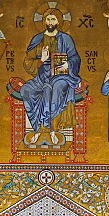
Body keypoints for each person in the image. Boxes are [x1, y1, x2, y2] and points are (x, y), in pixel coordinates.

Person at [20, 11, 81, 145]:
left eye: (53, 19)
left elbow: (75, 58)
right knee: (26, 90)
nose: (50, 22)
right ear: (44, 21)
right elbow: (27, 61)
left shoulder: (66, 39)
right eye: (48, 19)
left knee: (56, 88)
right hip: (42, 75)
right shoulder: (38, 39)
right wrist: (41, 60)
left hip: (61, 75)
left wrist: (68, 64)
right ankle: (38, 128)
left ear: (58, 21)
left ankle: (52, 129)